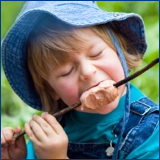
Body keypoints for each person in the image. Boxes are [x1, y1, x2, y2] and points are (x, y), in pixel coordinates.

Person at [1, 1, 159, 159]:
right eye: (66, 72)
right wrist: (19, 157)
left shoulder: (150, 132)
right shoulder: (53, 130)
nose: (88, 72)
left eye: (96, 53)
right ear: (52, 90)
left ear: (119, 52)